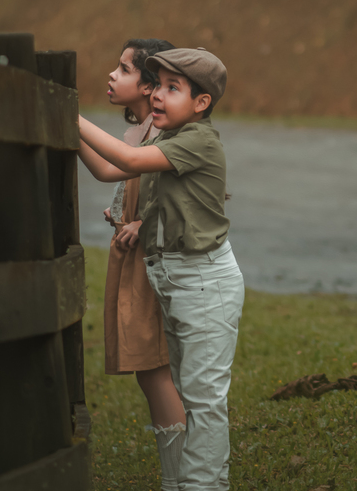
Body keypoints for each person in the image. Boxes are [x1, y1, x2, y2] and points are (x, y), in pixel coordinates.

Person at [78, 47, 243, 491]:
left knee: (205, 400)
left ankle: (204, 487)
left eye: (173, 88)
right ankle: (179, 484)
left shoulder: (198, 141)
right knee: (189, 393)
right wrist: (64, 127)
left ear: (201, 103)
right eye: (159, 84)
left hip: (204, 281)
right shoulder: (165, 139)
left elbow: (129, 162)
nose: (159, 95)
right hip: (175, 280)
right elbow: (113, 169)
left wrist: (69, 116)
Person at [76, 38, 186, 490]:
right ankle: (177, 474)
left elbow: (187, 197)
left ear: (148, 86)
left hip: (155, 263)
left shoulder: (168, 136)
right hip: (136, 261)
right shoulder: (140, 133)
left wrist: (143, 220)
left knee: (156, 367)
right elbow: (108, 171)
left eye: (123, 69)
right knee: (150, 369)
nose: (111, 75)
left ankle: (182, 478)